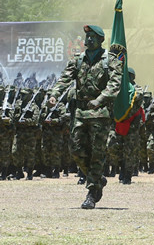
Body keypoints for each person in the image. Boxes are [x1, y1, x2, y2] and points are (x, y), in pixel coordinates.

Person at [46, 24, 122, 209]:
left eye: (93, 37)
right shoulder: (78, 60)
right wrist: (55, 94)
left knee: (97, 153)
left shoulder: (110, 60)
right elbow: (65, 78)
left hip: (100, 113)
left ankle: (92, 192)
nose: (88, 40)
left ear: (100, 40)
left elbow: (115, 84)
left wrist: (100, 100)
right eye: (87, 37)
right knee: (76, 150)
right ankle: (96, 178)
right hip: (80, 112)